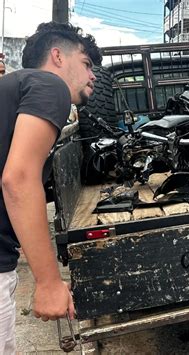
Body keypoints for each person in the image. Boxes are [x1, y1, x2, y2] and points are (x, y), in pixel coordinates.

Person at [0, 22, 101, 353]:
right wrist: (47, 282)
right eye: (87, 64)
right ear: (57, 56)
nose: (93, 76)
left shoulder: (14, 89)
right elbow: (19, 179)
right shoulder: (48, 85)